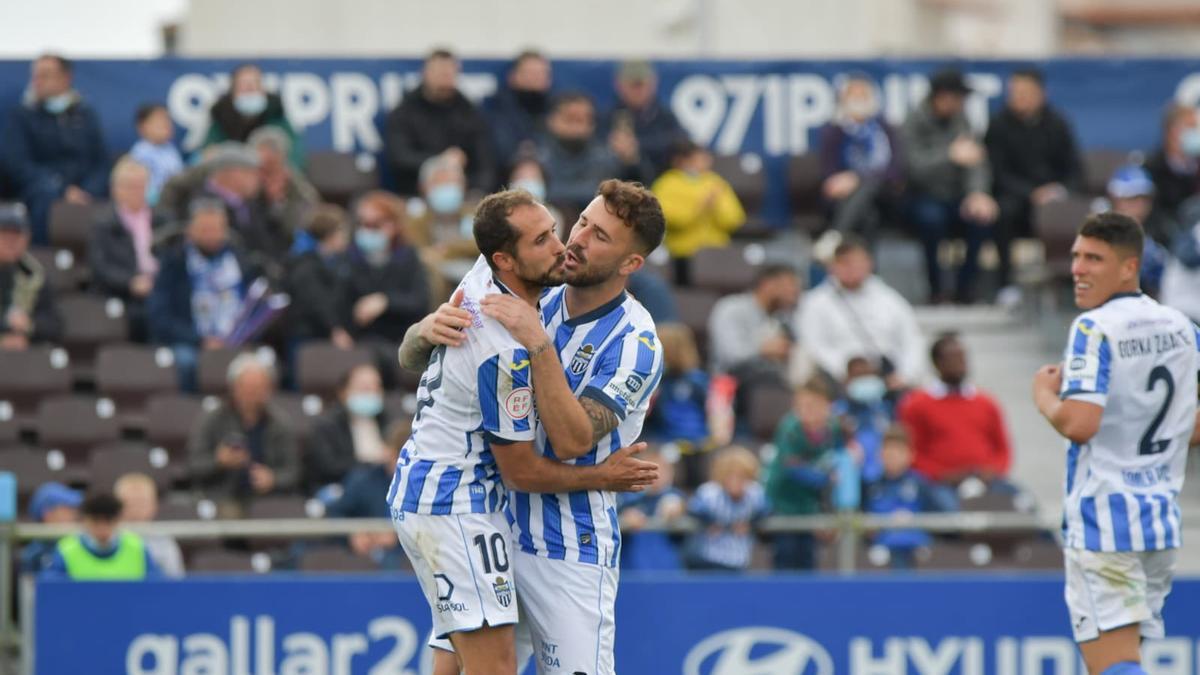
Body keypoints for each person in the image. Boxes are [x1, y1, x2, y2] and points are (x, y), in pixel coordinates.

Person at [389, 187, 661, 675]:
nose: (574, 241)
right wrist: (425, 329)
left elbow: (575, 441)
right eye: (580, 221)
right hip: (491, 519)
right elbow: (416, 356)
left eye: (599, 236)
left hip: (567, 543)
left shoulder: (634, 341)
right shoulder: (533, 291)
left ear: (631, 262)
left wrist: (539, 345)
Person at [1032, 212, 1200, 675]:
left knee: (1114, 667)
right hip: (1159, 523)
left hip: (1106, 522)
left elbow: (1081, 424)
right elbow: (1193, 424)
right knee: (1122, 659)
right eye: (1075, 257)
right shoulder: (1182, 327)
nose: (1078, 269)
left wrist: (1044, 397)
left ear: (1130, 266)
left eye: (1094, 259)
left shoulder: (1093, 328)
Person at [985, 68, 1083, 304]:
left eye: (1026, 92)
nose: (1020, 98)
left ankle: (1071, 282)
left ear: (1041, 93)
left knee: (1074, 215)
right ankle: (1006, 285)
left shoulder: (1058, 123)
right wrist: (1030, 193)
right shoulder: (999, 125)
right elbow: (997, 172)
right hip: (1017, 198)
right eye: (1015, 92)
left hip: (1054, 197)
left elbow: (1074, 169)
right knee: (1002, 214)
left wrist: (1058, 190)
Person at [901, 68, 998, 304]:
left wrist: (978, 193)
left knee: (980, 218)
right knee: (932, 220)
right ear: (941, 96)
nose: (961, 103)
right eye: (958, 98)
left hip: (957, 197)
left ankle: (965, 289)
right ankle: (936, 290)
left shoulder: (961, 121)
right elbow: (912, 168)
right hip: (922, 196)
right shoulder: (914, 121)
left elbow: (976, 161)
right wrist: (949, 156)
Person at [147, 198, 255, 391]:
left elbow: (252, 302)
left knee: (260, 365)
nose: (211, 235)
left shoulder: (239, 260)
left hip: (236, 341)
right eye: (205, 229)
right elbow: (160, 316)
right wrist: (200, 340)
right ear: (191, 230)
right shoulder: (175, 263)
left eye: (216, 229)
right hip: (191, 342)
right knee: (186, 361)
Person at [0, 54, 108, 244]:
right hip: (42, 191)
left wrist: (88, 190)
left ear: (65, 78)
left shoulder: (86, 115)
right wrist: (62, 189)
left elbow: (101, 161)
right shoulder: (21, 116)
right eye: (35, 75)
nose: (37, 81)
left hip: (85, 191)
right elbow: (17, 163)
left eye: (45, 75)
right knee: (44, 195)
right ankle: (42, 259)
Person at [797, 237, 925, 389]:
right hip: (835, 380)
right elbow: (814, 346)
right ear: (832, 266)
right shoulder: (814, 302)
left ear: (869, 263)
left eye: (857, 262)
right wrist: (846, 371)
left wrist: (905, 374)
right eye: (845, 262)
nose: (852, 268)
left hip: (888, 378)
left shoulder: (891, 299)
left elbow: (911, 339)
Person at [187, 352, 300, 517]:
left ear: (269, 390)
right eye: (247, 388)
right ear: (233, 388)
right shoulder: (213, 419)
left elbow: (293, 471)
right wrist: (218, 461)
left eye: (258, 388)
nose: (252, 394)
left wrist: (273, 479)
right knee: (229, 513)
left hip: (267, 499)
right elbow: (193, 464)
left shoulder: (280, 423)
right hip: (221, 496)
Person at [898, 332, 1013, 487]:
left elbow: (1002, 450)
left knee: (1021, 504)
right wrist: (941, 475)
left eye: (962, 357)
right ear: (937, 363)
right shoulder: (916, 405)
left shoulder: (986, 402)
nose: (960, 364)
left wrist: (991, 471)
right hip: (938, 483)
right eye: (953, 358)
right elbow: (912, 453)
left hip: (986, 480)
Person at [344, 191, 432, 384]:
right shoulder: (348, 258)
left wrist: (385, 302)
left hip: (400, 336)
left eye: (374, 225)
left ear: (393, 226)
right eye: (362, 224)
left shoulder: (408, 257)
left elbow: (420, 301)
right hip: (363, 341)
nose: (366, 230)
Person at [765, 379, 851, 570]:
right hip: (783, 505)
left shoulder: (834, 428)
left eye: (812, 405)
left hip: (810, 506)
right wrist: (825, 478)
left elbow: (839, 459)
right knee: (786, 556)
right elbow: (792, 469)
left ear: (827, 406)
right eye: (800, 405)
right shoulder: (790, 428)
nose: (805, 410)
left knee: (808, 559)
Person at [385, 49, 494, 196]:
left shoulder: (470, 113)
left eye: (449, 73)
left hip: (463, 195)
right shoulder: (404, 112)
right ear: (425, 73)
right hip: (415, 195)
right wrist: (439, 160)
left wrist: (476, 190)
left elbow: (485, 162)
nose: (444, 77)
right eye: (439, 72)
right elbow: (400, 157)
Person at [816, 74, 904, 249]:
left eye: (863, 96)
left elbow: (895, 170)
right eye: (853, 96)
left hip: (884, 195)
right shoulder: (833, 131)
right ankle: (867, 273)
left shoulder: (886, 129)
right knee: (868, 217)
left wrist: (856, 178)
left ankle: (836, 237)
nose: (858, 101)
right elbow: (828, 174)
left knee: (870, 183)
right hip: (845, 199)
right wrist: (843, 182)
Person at [89, 157, 165, 342]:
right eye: (130, 186)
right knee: (142, 315)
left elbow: (172, 256)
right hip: (123, 292)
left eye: (141, 185)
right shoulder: (104, 223)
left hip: (159, 286)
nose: (136, 191)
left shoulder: (161, 219)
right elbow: (100, 267)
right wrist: (130, 282)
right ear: (116, 190)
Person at [537, 92, 649, 215]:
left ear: (592, 124)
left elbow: (642, 195)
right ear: (551, 120)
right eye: (569, 119)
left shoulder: (607, 159)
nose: (576, 126)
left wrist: (631, 162)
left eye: (582, 120)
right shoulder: (536, 159)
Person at [652, 140, 745, 285]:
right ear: (681, 161)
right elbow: (669, 219)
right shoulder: (667, 184)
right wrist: (700, 208)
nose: (705, 161)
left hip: (717, 252)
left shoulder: (716, 182)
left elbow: (735, 219)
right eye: (698, 158)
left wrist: (716, 208)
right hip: (683, 255)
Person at [864, 426, 958, 569]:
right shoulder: (871, 486)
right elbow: (862, 519)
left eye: (898, 451)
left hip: (917, 548)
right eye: (888, 450)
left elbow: (938, 517)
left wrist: (913, 519)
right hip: (881, 548)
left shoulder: (921, 484)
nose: (892, 456)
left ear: (910, 454)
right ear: (880, 454)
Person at [324, 420, 410, 570]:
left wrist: (399, 538)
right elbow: (334, 513)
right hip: (367, 562)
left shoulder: (431, 489)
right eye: (392, 454)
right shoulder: (364, 480)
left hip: (411, 565)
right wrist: (352, 534)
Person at [303, 363, 390, 492]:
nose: (371, 393)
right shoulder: (327, 425)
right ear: (343, 392)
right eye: (364, 388)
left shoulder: (387, 421)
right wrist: (372, 463)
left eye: (376, 388)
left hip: (381, 485)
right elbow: (329, 467)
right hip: (340, 485)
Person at [645, 323, 711, 483]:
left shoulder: (698, 380)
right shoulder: (656, 381)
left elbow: (710, 411)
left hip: (698, 443)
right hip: (664, 442)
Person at [708, 264, 800, 379]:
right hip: (732, 384)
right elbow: (731, 356)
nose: (795, 292)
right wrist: (762, 350)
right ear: (767, 284)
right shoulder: (731, 308)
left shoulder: (784, 319)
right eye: (790, 285)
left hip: (774, 383)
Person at [202, 63, 302, 168]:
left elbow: (296, 158)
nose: (250, 89)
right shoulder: (220, 123)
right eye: (244, 86)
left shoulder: (278, 120)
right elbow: (207, 155)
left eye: (255, 85)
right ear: (232, 93)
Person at [686, 446, 768, 571]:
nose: (736, 482)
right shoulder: (709, 492)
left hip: (738, 559)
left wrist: (751, 525)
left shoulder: (755, 493)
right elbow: (693, 510)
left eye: (742, 477)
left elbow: (767, 512)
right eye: (731, 476)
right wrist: (709, 522)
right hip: (707, 558)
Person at [602, 59, 689, 177]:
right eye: (633, 85)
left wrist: (636, 146)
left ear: (653, 83)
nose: (638, 91)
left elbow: (681, 143)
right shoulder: (607, 117)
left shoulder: (666, 117)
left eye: (641, 84)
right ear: (619, 85)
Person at [284, 203, 354, 349]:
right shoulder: (304, 265)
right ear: (330, 235)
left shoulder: (334, 262)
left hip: (324, 335)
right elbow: (316, 301)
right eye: (343, 232)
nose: (346, 237)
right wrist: (334, 329)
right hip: (307, 338)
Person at [42, 493, 159, 580]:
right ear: (85, 520)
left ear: (118, 520)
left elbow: (156, 584)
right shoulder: (66, 549)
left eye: (108, 521)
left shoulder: (137, 547)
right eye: (96, 521)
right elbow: (53, 590)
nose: (102, 528)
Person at [0, 202, 62, 350]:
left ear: (27, 239)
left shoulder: (34, 274)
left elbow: (54, 324)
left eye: (17, 236)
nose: (11, 242)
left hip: (25, 354)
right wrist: (6, 324)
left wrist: (30, 325)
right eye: (5, 236)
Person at [1103, 166, 1170, 298]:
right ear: (1115, 199)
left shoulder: (1160, 230)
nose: (1139, 205)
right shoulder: (1099, 231)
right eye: (1132, 198)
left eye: (1144, 199)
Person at [617, 448, 686, 571]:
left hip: (667, 571)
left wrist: (674, 509)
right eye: (648, 470)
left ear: (671, 473)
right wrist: (625, 518)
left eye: (662, 470)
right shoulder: (627, 497)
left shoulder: (673, 496)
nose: (656, 475)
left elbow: (676, 504)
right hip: (631, 570)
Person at [249, 126, 320, 241]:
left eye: (272, 165)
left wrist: (278, 203)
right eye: (262, 166)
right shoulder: (246, 187)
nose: (266, 173)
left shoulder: (297, 188)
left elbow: (304, 221)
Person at [488, 50, 553, 174]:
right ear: (512, 76)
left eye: (542, 73)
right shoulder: (496, 108)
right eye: (530, 73)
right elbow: (498, 149)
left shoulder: (556, 109)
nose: (536, 78)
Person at [1144, 103, 1200, 245]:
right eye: (1192, 127)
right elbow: (1153, 218)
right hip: (1168, 246)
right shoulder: (1151, 170)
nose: (1197, 133)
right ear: (1172, 131)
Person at [832, 355, 893, 483]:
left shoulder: (882, 408)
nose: (863, 381)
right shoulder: (839, 410)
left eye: (866, 376)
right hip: (852, 475)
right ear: (848, 380)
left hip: (882, 473)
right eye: (858, 376)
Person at [113, 472, 185, 577]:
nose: (135, 509)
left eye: (142, 502)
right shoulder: (108, 538)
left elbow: (175, 580)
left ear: (154, 505)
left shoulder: (164, 541)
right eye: (129, 503)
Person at [18, 482, 81, 574]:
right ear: (47, 514)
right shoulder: (33, 555)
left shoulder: (76, 545)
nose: (74, 516)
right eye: (67, 510)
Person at [129, 103, 184, 207]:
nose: (166, 124)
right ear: (142, 127)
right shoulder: (141, 153)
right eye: (159, 120)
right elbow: (145, 192)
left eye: (168, 119)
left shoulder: (171, 150)